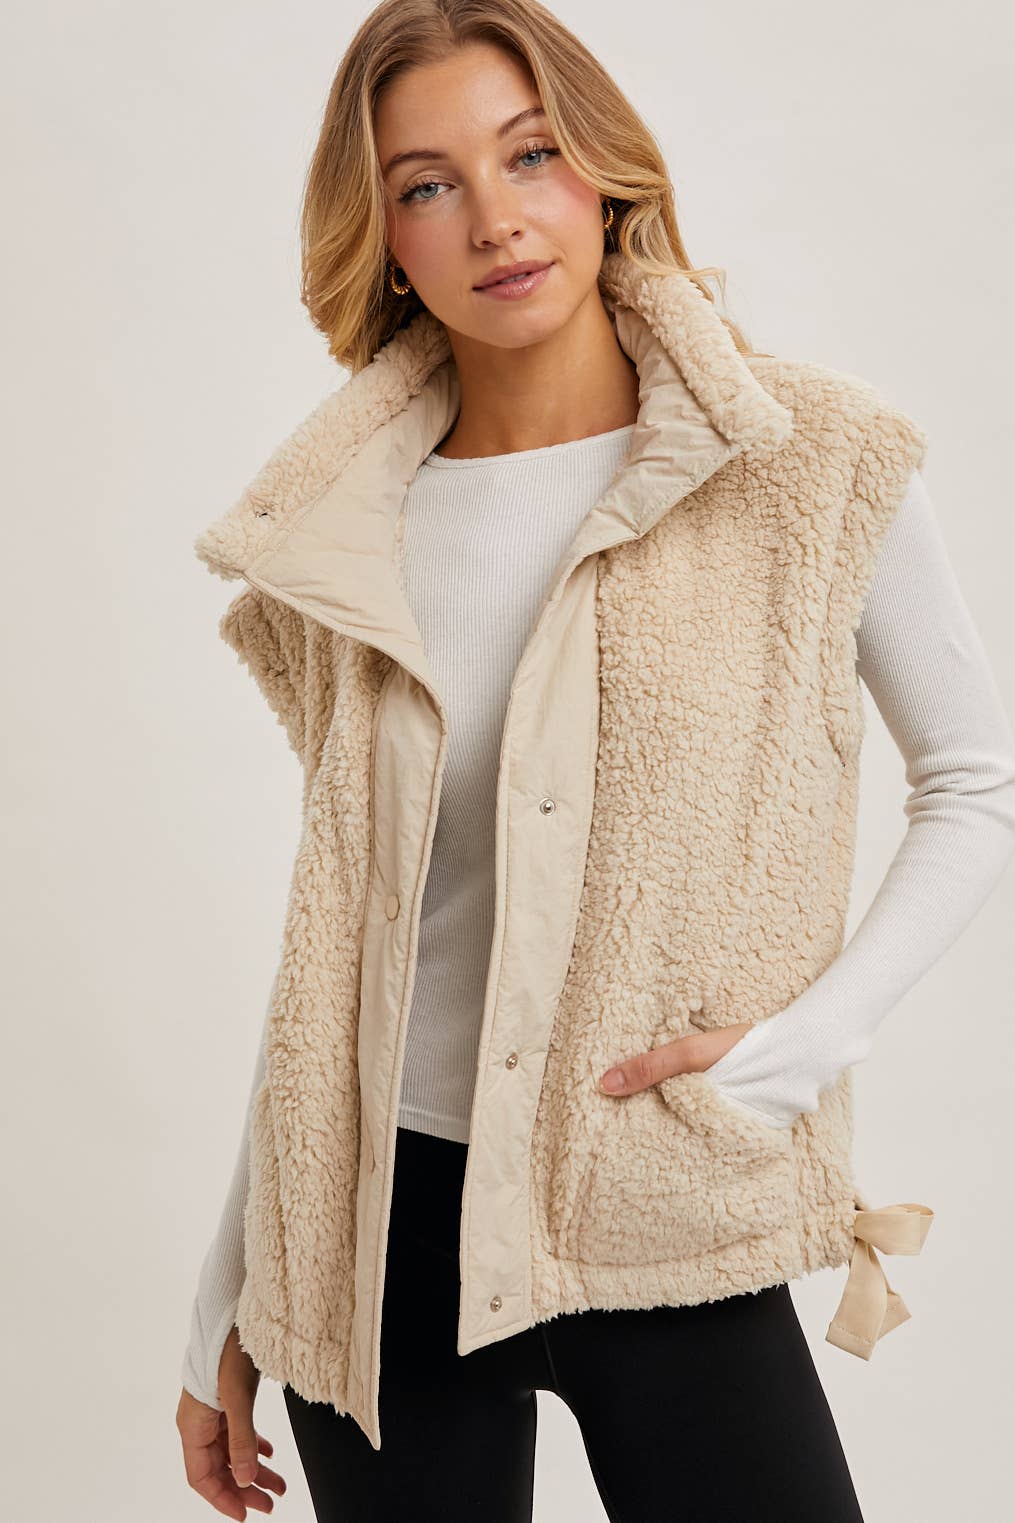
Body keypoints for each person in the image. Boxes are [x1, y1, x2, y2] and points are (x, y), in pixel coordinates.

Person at [175, 3, 1015, 1519]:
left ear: (606, 173)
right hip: (377, 1242)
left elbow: (978, 779)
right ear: (388, 241)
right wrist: (237, 1285)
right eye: (428, 184)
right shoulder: (347, 528)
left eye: (531, 155)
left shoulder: (807, 459)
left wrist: (798, 1056)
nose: (495, 219)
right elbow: (347, 952)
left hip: (659, 1196)